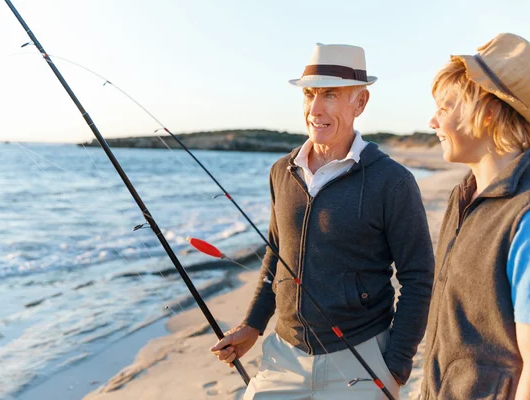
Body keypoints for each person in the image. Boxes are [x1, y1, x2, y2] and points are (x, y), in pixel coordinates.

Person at [211, 43, 435, 399]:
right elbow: (275, 253)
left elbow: (419, 277)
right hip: (283, 357)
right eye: (309, 94)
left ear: (360, 103)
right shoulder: (281, 172)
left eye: (330, 94)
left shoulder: (392, 181)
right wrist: (253, 324)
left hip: (362, 358)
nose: (315, 109)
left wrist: (396, 364)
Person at [422, 33, 530, 399]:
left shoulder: (524, 215)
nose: (433, 121)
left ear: (486, 112)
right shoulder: (463, 197)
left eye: (445, 107)